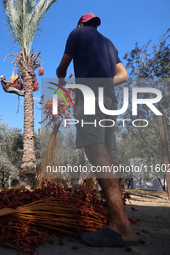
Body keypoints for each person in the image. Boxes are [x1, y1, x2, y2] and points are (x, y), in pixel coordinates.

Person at [56, 13, 138, 247]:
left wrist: (63, 84)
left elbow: (62, 68)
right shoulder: (109, 43)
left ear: (80, 24)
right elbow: (123, 75)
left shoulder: (77, 33)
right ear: (96, 25)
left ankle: (121, 228)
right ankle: (118, 221)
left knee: (96, 154)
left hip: (90, 99)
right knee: (108, 158)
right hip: (110, 102)